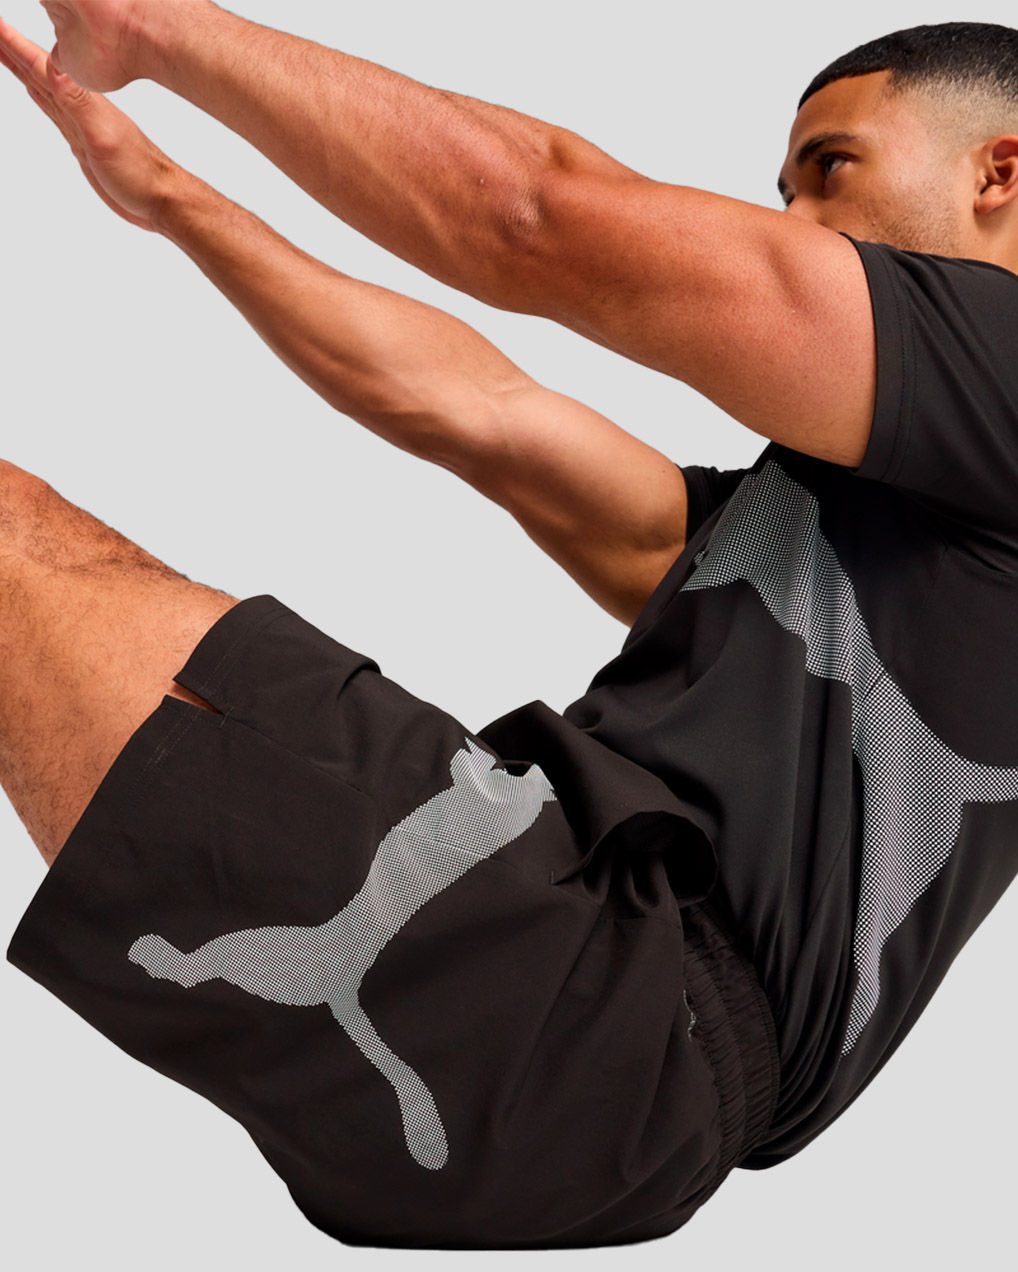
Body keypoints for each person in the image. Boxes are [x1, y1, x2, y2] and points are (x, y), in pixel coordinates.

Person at [1, 0, 1016, 1250]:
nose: (792, 222)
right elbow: (473, 407)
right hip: (597, 1065)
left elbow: (538, 213)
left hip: (598, 988)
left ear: (998, 173)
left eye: (831, 171)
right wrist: (169, 198)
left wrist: (152, 29)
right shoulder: (848, 532)